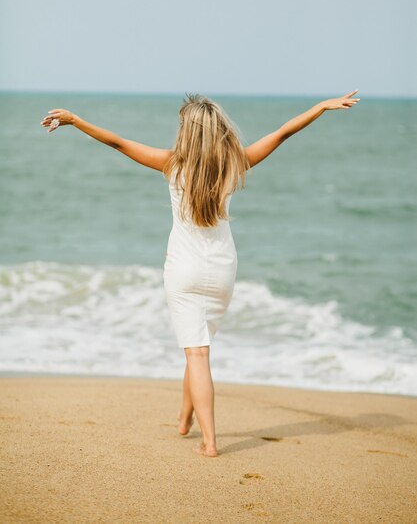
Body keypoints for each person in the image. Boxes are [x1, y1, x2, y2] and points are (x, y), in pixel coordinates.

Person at [40, 89, 360, 457]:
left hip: (184, 268)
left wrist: (75, 120)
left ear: (187, 132)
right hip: (222, 269)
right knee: (199, 346)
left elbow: (117, 142)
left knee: (197, 354)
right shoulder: (234, 162)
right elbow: (283, 133)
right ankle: (183, 418)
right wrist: (320, 107)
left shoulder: (171, 164)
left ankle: (209, 442)